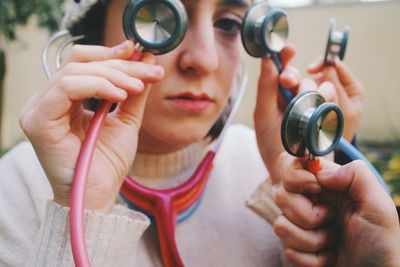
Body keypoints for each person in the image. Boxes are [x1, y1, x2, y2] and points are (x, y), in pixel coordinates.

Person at [0, 0, 398, 266]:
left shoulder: (270, 168)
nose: (203, 59)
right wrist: (80, 208)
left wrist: (306, 198)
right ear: (91, 38)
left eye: (228, 24)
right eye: (162, 16)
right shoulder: (13, 190)